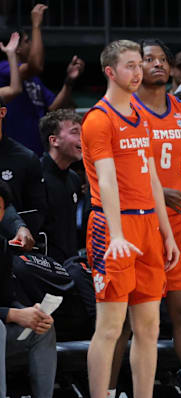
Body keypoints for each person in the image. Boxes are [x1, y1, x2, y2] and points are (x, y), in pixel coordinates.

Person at [81, 39, 180, 398]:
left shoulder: (140, 114)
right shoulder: (98, 119)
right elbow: (106, 180)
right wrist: (118, 235)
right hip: (112, 227)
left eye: (140, 64)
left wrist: (166, 232)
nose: (138, 71)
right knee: (109, 328)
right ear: (110, 71)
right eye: (129, 65)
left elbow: (152, 177)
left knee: (149, 327)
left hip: (148, 226)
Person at [128, 38, 181, 398]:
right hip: (137, 223)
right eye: (150, 59)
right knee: (127, 324)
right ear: (135, 67)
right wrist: (159, 194)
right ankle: (114, 395)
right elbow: (111, 175)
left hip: (179, 227)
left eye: (163, 59)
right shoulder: (124, 110)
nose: (158, 64)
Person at [0, 4, 85, 155]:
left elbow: (54, 107)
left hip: (37, 152)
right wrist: (36, 26)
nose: (32, 44)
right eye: (27, 41)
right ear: (16, 48)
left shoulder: (34, 80)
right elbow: (36, 66)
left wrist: (69, 80)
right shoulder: (4, 68)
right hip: (14, 154)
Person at [0, 180, 56, 398]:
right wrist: (12, 315)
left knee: (42, 328)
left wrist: (28, 312)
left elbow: (6, 297)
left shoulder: (3, 247)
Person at [38, 109, 83, 262]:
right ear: (54, 141)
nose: (82, 138)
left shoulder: (74, 179)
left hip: (71, 264)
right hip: (43, 269)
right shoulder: (35, 177)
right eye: (75, 132)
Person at [0, 96, 47, 236]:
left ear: (2, 112)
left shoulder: (26, 158)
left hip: (11, 247)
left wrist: (20, 230)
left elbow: (37, 212)